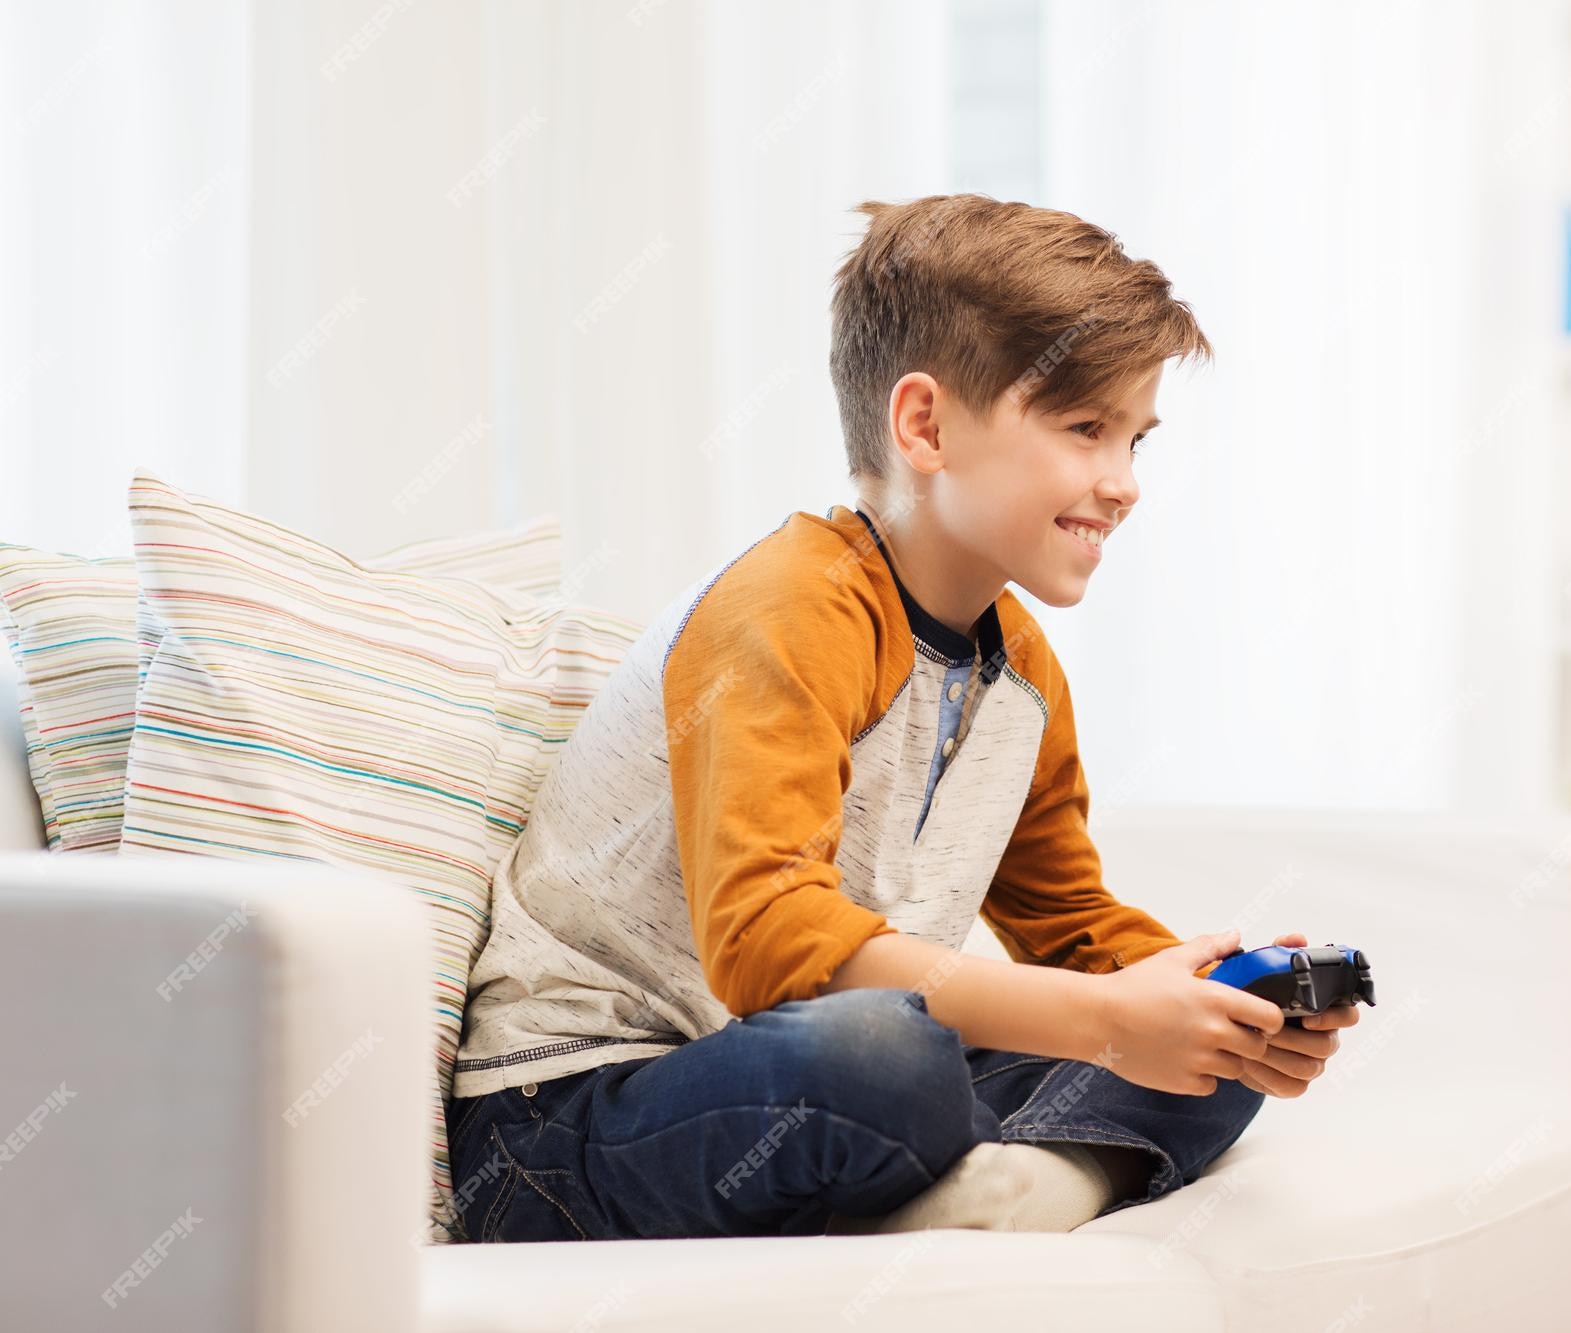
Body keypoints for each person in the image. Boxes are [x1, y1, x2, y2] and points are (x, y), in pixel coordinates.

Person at [444, 193, 1360, 1244]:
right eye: (1083, 429)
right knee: (885, 1056)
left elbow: (1071, 928)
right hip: (570, 1117)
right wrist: (1108, 1022)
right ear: (923, 425)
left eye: (1135, 439)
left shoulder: (1021, 668)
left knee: (1206, 1059)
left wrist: (1207, 996)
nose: (1121, 484)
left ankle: (1003, 1192)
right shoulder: (785, 606)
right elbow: (768, 950)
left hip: (813, 1082)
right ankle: (998, 1166)